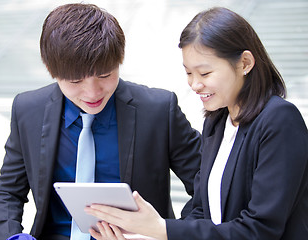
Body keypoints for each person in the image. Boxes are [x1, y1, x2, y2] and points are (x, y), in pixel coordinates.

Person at [85, 7, 308, 240]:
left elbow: (261, 229)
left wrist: (163, 229)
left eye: (205, 73)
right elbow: (203, 210)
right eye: (189, 73)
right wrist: (144, 236)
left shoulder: (279, 120)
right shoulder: (217, 122)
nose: (194, 84)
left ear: (245, 63)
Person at [0, 3, 202, 240]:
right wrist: (12, 237)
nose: (92, 94)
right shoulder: (28, 109)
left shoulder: (159, 110)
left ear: (119, 60)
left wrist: (167, 233)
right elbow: (8, 192)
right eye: (75, 81)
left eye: (105, 75)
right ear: (51, 70)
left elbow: (210, 186)